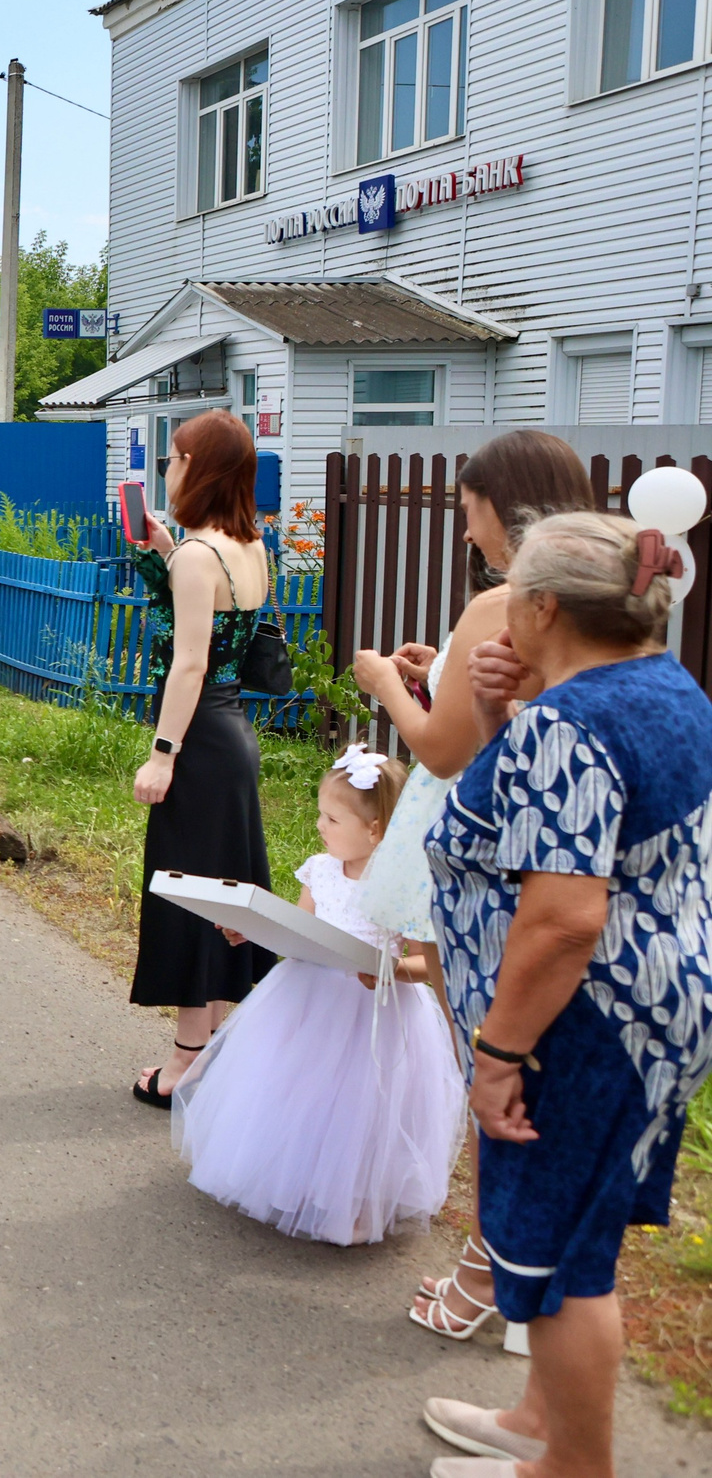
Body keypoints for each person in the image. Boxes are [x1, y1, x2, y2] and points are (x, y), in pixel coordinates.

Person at [415, 512, 712, 1478]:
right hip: (657, 1005)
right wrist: (508, 717)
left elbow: (563, 917)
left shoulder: (571, 724)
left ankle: (572, 1467)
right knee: (579, 1232)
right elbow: (573, 825)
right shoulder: (666, 687)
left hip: (579, 1024)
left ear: (543, 606)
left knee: (559, 1263)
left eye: (514, 603)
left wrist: (499, 1055)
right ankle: (542, 1419)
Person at [339, 430, 593, 1342]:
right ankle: (529, 1267)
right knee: (527, 1066)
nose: (463, 524)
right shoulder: (588, 599)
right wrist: (439, 670)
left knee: (488, 1063)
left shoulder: (505, 597)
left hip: (485, 866)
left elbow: (444, 748)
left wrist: (381, 681)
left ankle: (493, 1263)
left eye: (468, 505)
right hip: (551, 855)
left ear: (504, 504)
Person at [170, 747, 466, 1246]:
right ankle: (292, 1179)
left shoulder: (402, 885)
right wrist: (253, 930)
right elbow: (303, 931)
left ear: (374, 830)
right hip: (305, 1001)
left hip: (373, 1014)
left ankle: (353, 1200)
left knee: (359, 1109)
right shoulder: (320, 869)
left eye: (331, 818)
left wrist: (391, 969)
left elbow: (426, 962)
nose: (319, 826)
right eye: (319, 814)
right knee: (291, 1091)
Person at [129, 410, 273, 1105]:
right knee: (221, 896)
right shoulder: (251, 546)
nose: (167, 467)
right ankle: (211, 1049)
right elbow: (219, 642)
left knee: (188, 895)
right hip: (233, 729)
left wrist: (162, 754)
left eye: (174, 456)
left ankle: (186, 1062)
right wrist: (163, 549)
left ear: (195, 464)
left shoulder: (197, 555)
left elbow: (188, 665)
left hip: (196, 736)